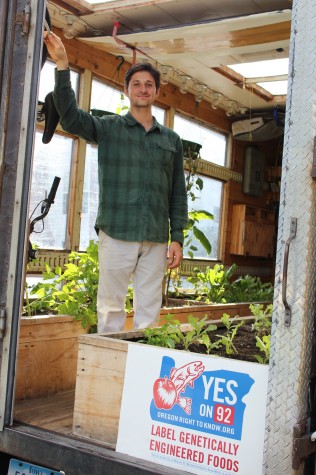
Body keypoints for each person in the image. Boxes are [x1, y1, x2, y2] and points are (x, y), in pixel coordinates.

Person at [44, 32, 188, 332]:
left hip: (156, 237)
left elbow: (177, 193)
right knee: (111, 308)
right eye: (136, 83)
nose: (143, 89)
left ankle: (142, 370)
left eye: (149, 84)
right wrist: (62, 64)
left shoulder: (172, 140)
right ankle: (111, 369)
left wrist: (177, 238)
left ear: (157, 92)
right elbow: (70, 119)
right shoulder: (109, 128)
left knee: (149, 310)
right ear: (127, 91)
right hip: (117, 231)